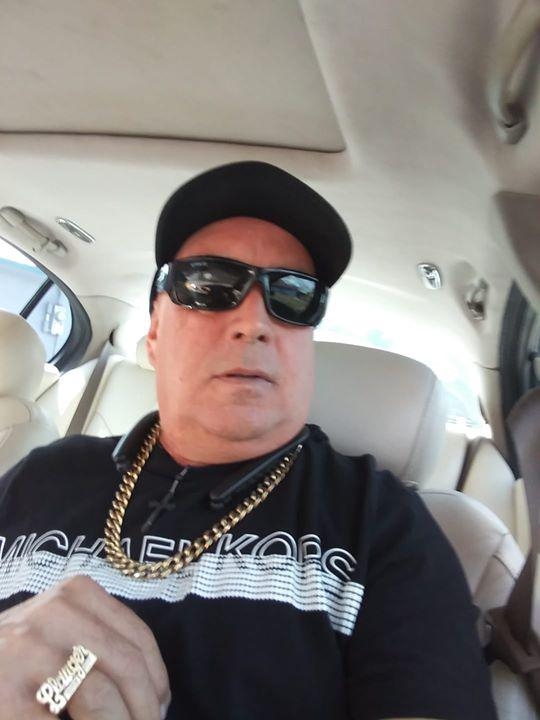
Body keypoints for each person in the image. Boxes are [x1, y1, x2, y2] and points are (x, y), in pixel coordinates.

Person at [0, 161, 496, 720]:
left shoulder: (381, 524)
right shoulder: (41, 476)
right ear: (155, 333)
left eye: (294, 296)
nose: (254, 322)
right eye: (209, 284)